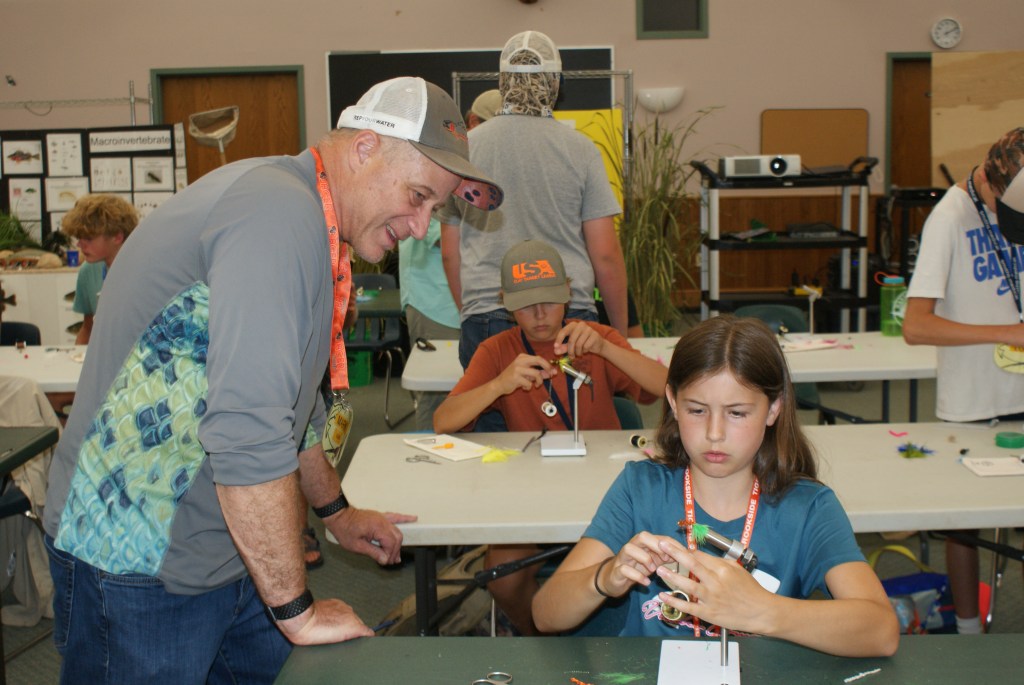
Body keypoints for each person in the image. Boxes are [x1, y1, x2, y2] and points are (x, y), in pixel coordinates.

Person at [42, 76, 503, 684]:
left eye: (434, 209)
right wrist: (296, 612)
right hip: (139, 560)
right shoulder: (278, 212)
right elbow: (248, 429)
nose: (421, 226)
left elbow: (294, 411)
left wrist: (336, 513)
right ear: (366, 148)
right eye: (418, 196)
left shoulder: (312, 222)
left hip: (232, 545)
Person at [532, 316, 900, 657]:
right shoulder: (639, 488)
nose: (714, 433)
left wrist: (763, 611)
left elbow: (881, 631)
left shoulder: (808, 508)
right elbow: (545, 615)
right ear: (673, 402)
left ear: (773, 409)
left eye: (737, 413)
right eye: (697, 410)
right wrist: (604, 577)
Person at [433, 239, 666, 635]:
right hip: (533, 492)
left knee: (638, 564)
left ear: (568, 293)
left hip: (607, 490)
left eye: (550, 301)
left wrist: (607, 349)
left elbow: (667, 386)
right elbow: (443, 421)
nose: (540, 315)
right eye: (526, 305)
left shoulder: (595, 337)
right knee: (503, 577)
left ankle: (602, 633)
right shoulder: (497, 350)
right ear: (505, 302)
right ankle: (541, 636)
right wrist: (499, 385)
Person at [441, 30, 627, 376]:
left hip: (488, 312)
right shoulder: (581, 150)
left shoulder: (464, 150)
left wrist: (473, 311)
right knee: (576, 410)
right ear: (555, 82)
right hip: (568, 315)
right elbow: (605, 254)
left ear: (502, 81)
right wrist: (619, 334)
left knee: (491, 411)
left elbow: (451, 253)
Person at [902, 127, 1024, 635]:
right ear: (991, 184)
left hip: (1019, 392)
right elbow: (916, 326)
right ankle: (968, 632)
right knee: (965, 525)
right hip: (972, 401)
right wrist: (1006, 333)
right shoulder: (950, 217)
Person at [398, 90, 500, 431]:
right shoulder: (442, 165)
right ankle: (429, 461)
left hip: (462, 305)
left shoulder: (472, 172)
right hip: (436, 305)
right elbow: (443, 243)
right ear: (471, 123)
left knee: (470, 398)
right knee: (436, 396)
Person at [60, 193, 139, 344]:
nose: (80, 244)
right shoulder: (88, 270)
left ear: (117, 237)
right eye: (79, 237)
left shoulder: (144, 272)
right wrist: (77, 355)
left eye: (88, 238)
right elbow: (88, 329)